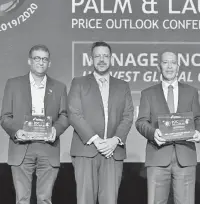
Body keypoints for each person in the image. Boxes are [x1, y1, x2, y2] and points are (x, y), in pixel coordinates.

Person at [0, 44, 69, 204]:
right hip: (21, 147)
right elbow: (5, 117)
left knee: (45, 199)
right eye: (37, 58)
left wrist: (55, 130)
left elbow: (64, 115)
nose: (41, 62)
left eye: (45, 59)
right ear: (29, 61)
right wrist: (16, 132)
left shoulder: (59, 87)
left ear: (49, 63)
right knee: (22, 200)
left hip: (48, 148)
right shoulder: (13, 84)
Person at [68, 41, 134, 204]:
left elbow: (128, 115)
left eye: (105, 56)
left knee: (110, 200)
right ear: (91, 59)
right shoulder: (79, 83)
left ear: (111, 59)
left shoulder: (122, 85)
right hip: (86, 149)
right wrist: (96, 140)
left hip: (113, 152)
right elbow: (74, 113)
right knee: (85, 200)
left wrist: (114, 140)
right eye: (98, 56)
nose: (102, 59)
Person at [135, 51, 200, 204]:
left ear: (178, 66)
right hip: (157, 155)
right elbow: (141, 122)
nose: (169, 66)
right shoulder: (148, 93)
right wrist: (153, 133)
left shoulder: (191, 91)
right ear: (159, 66)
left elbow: (199, 119)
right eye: (165, 62)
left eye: (173, 63)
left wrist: (198, 131)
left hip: (185, 156)